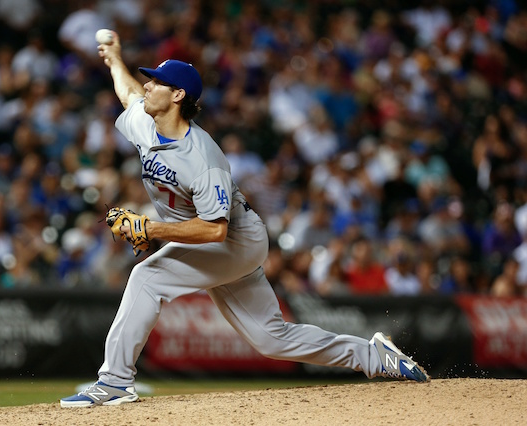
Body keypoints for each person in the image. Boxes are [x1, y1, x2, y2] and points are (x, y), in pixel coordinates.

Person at [60, 32, 428, 408]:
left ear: (177, 96)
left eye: (157, 82)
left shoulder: (203, 159)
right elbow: (127, 93)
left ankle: (116, 381)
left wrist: (151, 228)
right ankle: (373, 355)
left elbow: (215, 229)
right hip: (219, 242)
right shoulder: (145, 121)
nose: (148, 85)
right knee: (271, 339)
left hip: (233, 240)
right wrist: (114, 59)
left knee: (147, 278)